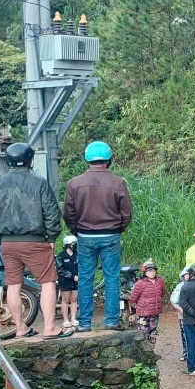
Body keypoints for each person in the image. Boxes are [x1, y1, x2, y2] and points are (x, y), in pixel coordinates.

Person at [0, 142, 68, 340]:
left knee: (13, 284)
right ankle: (49, 328)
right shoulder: (39, 183)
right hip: (35, 241)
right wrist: (52, 237)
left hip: (7, 243)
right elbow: (51, 213)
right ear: (30, 160)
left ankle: (20, 328)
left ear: (8, 161)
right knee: (48, 282)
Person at [64, 141, 133, 332]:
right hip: (111, 235)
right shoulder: (118, 182)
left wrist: (76, 230)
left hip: (85, 236)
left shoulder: (74, 184)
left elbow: (68, 214)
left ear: (87, 160)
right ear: (109, 159)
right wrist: (119, 228)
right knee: (112, 277)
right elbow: (127, 213)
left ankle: (84, 322)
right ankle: (111, 321)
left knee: (85, 278)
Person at [130, 259, 166, 342]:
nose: (152, 273)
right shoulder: (140, 283)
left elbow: (162, 293)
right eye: (149, 271)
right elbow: (133, 298)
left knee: (153, 332)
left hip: (155, 312)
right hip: (144, 313)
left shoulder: (160, 281)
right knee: (142, 333)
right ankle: (142, 352)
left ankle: (151, 352)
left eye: (153, 271)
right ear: (145, 272)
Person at [56, 236, 79, 329]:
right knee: (65, 301)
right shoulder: (61, 256)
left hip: (76, 281)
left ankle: (73, 319)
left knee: (74, 300)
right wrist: (72, 276)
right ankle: (65, 320)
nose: (74, 245)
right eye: (72, 244)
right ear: (67, 245)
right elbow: (60, 270)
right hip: (65, 281)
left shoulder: (78, 254)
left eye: (74, 243)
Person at [170, 266, 192, 361]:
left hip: (194, 314)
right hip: (182, 313)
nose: (187, 276)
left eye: (189, 274)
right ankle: (186, 353)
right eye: (185, 274)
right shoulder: (180, 286)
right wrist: (179, 309)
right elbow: (173, 299)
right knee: (184, 334)